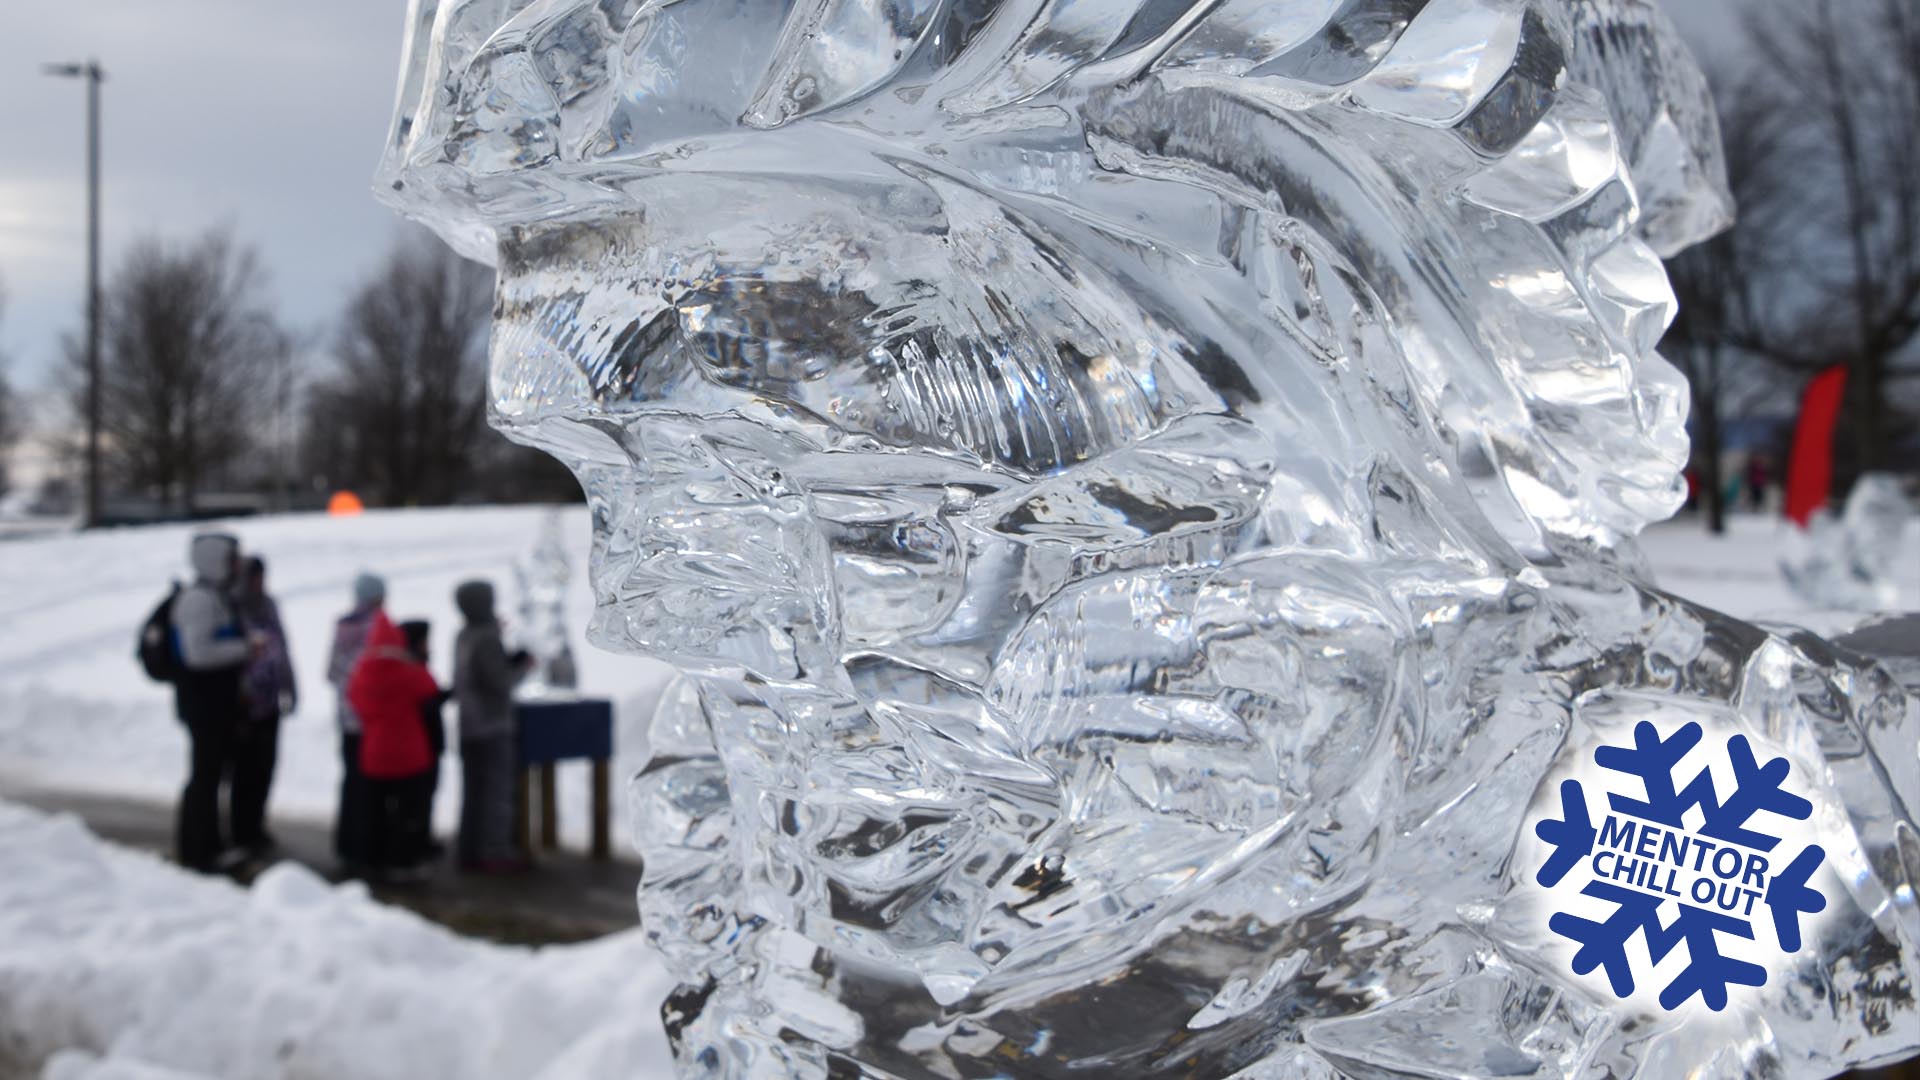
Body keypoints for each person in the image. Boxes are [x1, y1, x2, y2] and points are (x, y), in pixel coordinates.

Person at [171, 532, 252, 872]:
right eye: (232, 559)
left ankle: (210, 844)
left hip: (217, 704)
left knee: (212, 775)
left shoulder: (217, 596)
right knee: (204, 777)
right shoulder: (199, 601)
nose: (237, 566)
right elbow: (198, 653)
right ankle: (198, 851)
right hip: (203, 706)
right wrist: (245, 649)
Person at [348, 612, 443, 881]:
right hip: (409, 755)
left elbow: (353, 697)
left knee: (375, 813)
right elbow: (431, 688)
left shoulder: (362, 672)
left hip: (374, 754)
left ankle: (373, 860)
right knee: (408, 813)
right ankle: (404, 861)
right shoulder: (408, 672)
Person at [453, 580, 531, 872]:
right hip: (492, 724)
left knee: (473, 792)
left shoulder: (463, 635)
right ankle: (494, 851)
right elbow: (500, 682)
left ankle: (470, 849)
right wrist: (522, 666)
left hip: (469, 725)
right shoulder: (486, 637)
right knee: (496, 792)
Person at [233, 555, 296, 856]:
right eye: (253, 577)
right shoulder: (234, 606)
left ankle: (256, 825)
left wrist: (289, 685)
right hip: (246, 704)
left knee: (265, 767)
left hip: (270, 700)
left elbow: (282, 648)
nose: (259, 582)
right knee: (245, 769)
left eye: (261, 576)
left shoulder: (269, 605)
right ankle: (240, 829)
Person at [327, 572, 386, 870]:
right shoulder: (376, 629)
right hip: (369, 721)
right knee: (368, 788)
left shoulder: (343, 626)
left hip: (345, 718)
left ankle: (345, 844)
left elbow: (330, 672)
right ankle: (364, 849)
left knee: (350, 783)